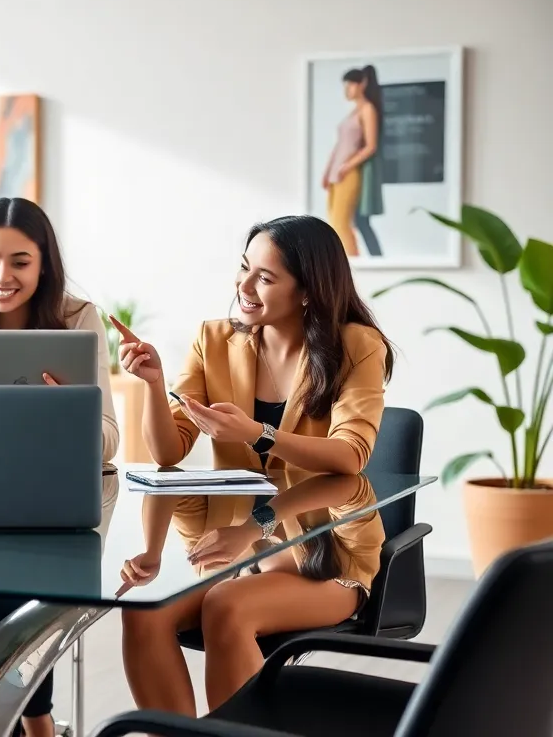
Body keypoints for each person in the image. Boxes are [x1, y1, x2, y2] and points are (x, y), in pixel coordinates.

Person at [112, 214, 393, 716]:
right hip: (234, 545)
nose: (244, 286)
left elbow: (351, 457)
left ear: (307, 291)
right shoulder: (214, 339)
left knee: (226, 606)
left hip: (325, 553)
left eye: (265, 277)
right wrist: (154, 385)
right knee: (144, 612)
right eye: (243, 269)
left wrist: (258, 434)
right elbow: (169, 452)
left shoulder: (356, 346)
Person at [0, 197, 121, 737]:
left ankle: (30, 718)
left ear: (44, 263)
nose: (1, 276)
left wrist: (66, 415)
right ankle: (34, 719)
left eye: (19, 262)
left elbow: (107, 443)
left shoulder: (78, 319)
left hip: (52, 501)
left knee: (28, 585)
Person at [322, 65, 385, 257]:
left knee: (342, 223)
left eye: (350, 85)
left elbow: (370, 146)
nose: (346, 90)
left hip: (349, 174)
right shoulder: (353, 112)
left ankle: (352, 265)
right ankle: (350, 262)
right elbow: (339, 145)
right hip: (336, 174)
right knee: (334, 223)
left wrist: (346, 166)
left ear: (362, 84)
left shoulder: (368, 110)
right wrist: (327, 171)